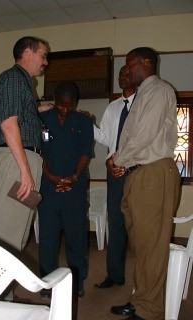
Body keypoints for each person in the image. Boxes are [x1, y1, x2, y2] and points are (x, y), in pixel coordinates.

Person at [109, 47, 181, 320]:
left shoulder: (159, 90)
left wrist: (118, 160)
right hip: (138, 173)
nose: (127, 71)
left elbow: (144, 135)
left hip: (153, 173)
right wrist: (122, 162)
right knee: (140, 244)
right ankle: (140, 300)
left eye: (130, 65)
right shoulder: (144, 94)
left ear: (146, 62)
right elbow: (132, 136)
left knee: (152, 246)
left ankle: (149, 311)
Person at [0, 36, 53, 252]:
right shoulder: (14, 79)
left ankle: (7, 286)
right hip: (17, 162)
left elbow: (19, 117)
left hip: (22, 160)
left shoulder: (21, 82)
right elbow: (8, 125)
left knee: (18, 235)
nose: (45, 62)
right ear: (27, 53)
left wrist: (38, 109)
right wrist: (24, 171)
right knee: (6, 238)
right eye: (42, 55)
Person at [38, 81, 94, 299]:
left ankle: (77, 282)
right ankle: (47, 283)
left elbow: (85, 153)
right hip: (49, 188)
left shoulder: (84, 121)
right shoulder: (42, 120)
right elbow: (39, 152)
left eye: (69, 106)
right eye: (61, 106)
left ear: (75, 103)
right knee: (48, 238)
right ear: (55, 100)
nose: (65, 110)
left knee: (76, 238)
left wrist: (75, 177)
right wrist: (51, 177)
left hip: (75, 188)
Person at [93, 65, 136, 289]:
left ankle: (143, 283)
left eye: (127, 74)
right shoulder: (113, 107)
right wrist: (87, 124)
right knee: (116, 223)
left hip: (139, 171)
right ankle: (115, 275)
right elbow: (106, 138)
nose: (122, 77)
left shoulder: (144, 103)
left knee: (139, 226)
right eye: (120, 74)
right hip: (116, 172)